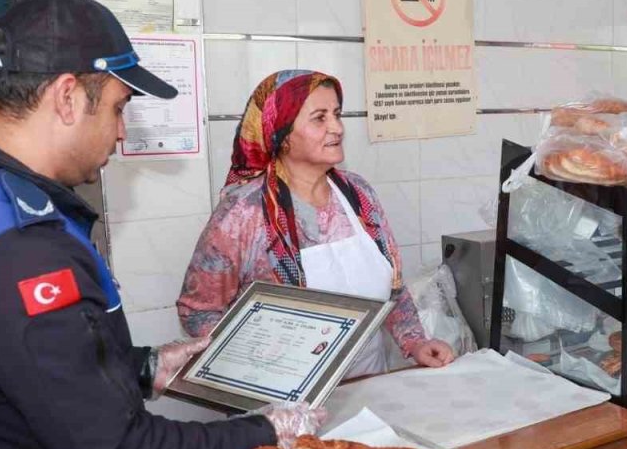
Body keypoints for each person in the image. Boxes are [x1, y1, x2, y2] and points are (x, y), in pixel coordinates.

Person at [0, 0, 322, 449]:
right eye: (119, 108)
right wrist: (266, 431)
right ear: (67, 97)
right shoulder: (25, 251)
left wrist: (146, 366)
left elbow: (27, 361)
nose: (122, 132)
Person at [177, 70, 454, 377]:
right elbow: (198, 312)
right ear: (281, 136)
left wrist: (414, 342)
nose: (337, 128)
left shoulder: (358, 195)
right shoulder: (243, 212)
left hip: (367, 385)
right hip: (283, 399)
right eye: (319, 118)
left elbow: (393, 288)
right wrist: (254, 361)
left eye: (337, 114)